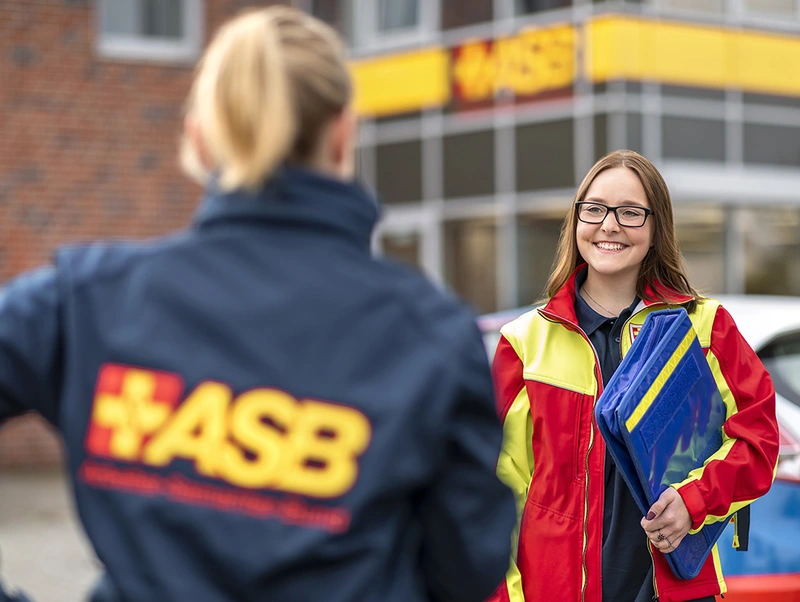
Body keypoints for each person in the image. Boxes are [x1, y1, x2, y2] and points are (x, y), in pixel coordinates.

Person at [0, 7, 516, 602]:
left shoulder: (86, 299)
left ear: (199, 136)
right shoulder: (431, 335)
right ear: (344, 132)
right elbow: (466, 567)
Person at [489, 150, 779, 602]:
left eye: (630, 213)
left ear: (655, 227)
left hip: (674, 588)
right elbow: (495, 489)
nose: (609, 225)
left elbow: (758, 440)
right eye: (595, 208)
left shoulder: (704, 326)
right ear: (577, 218)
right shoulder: (524, 342)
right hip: (555, 590)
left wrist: (694, 501)